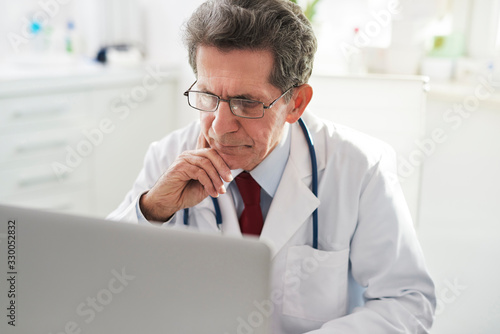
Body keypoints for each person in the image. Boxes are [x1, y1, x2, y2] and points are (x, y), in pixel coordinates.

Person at [107, 0, 436, 332]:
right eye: (208, 96)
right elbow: (99, 282)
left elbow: (408, 303)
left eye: (246, 102)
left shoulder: (359, 169)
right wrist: (152, 209)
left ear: (296, 103)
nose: (220, 127)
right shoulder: (168, 156)